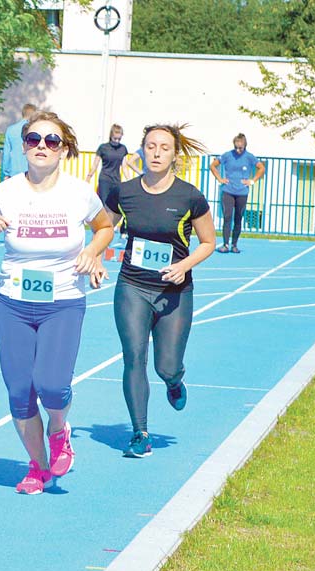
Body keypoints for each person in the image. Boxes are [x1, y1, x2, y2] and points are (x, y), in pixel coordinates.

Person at [0, 111, 114, 495]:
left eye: (51, 141)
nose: (41, 147)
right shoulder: (5, 192)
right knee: (19, 392)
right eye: (33, 140)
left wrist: (94, 253)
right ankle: (38, 466)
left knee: (51, 384)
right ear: (24, 146)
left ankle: (60, 430)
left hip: (63, 300)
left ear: (64, 149)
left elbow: (104, 227)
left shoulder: (78, 192)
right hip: (12, 302)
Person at [102, 124, 216, 459]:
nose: (156, 153)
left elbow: (208, 242)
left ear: (174, 155)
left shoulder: (189, 196)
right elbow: (104, 229)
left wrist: (184, 266)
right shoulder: (123, 192)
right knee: (134, 357)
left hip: (174, 292)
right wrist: (95, 255)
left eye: (164, 147)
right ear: (141, 150)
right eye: (150, 146)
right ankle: (140, 432)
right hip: (132, 286)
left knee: (165, 365)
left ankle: (174, 380)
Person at [209, 133, 265, 254]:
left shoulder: (249, 157)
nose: (238, 150)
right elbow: (213, 165)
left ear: (245, 146)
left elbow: (261, 168)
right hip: (228, 190)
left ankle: (234, 244)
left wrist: (252, 181)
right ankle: (225, 244)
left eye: (241, 148)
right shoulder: (227, 155)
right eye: (236, 147)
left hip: (242, 192)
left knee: (238, 218)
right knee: (227, 217)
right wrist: (220, 179)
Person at [87, 124, 129, 204]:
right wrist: (88, 178)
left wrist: (129, 180)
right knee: (104, 203)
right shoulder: (103, 148)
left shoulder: (123, 149)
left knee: (115, 204)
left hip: (116, 180)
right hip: (105, 179)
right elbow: (95, 165)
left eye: (119, 139)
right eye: (115, 138)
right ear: (111, 136)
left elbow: (124, 167)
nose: (117, 141)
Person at [1, 103, 37, 180]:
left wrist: (6, 173)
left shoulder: (10, 129)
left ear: (23, 114)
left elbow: (6, 153)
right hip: (31, 172)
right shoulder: (35, 130)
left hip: (14, 171)